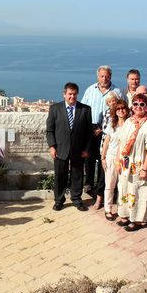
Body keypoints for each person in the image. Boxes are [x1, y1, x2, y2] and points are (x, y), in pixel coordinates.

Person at [47, 82, 93, 211]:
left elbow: (89, 132)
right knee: (60, 176)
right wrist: (52, 146)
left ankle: (77, 199)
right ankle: (59, 200)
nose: (72, 96)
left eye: (74, 94)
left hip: (79, 150)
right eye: (69, 94)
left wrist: (86, 149)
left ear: (77, 94)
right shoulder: (55, 109)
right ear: (64, 94)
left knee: (77, 175)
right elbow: (50, 130)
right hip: (60, 149)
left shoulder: (85, 109)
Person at [116, 94, 147, 231]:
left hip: (139, 164)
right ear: (132, 106)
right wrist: (118, 161)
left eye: (142, 104)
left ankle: (136, 220)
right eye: (135, 104)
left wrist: (145, 168)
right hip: (125, 164)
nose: (138, 107)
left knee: (138, 192)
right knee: (125, 189)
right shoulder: (128, 121)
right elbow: (121, 143)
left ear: (146, 107)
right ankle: (126, 215)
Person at [80, 65, 121, 199]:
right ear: (98, 76)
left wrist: (102, 129)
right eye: (102, 76)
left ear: (111, 76)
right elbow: (83, 108)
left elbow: (121, 109)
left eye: (107, 76)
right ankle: (89, 184)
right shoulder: (90, 89)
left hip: (106, 129)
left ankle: (101, 188)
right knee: (89, 157)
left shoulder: (117, 91)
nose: (104, 78)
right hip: (90, 127)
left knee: (103, 158)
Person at [100, 100, 129, 220]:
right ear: (115, 111)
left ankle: (122, 209)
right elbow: (106, 141)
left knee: (123, 185)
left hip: (125, 158)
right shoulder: (112, 123)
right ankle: (108, 209)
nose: (121, 111)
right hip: (111, 157)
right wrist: (103, 157)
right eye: (118, 109)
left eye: (123, 108)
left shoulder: (130, 123)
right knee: (110, 184)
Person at [95, 91, 121, 208]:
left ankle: (118, 202)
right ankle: (100, 199)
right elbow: (103, 130)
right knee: (103, 175)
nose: (112, 103)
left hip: (119, 149)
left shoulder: (122, 113)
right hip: (106, 147)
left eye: (114, 101)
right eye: (109, 101)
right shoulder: (104, 113)